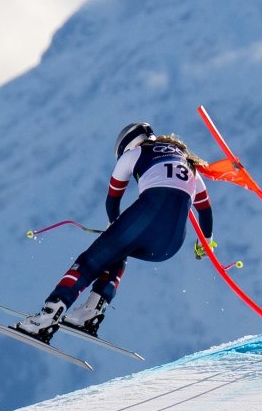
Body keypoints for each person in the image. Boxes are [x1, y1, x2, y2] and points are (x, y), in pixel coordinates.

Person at [16, 122, 214, 343]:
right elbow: (205, 210)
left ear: (128, 144)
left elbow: (113, 198)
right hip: (171, 245)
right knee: (118, 251)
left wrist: (114, 229)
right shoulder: (188, 164)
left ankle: (46, 317)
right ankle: (90, 313)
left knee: (90, 261)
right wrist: (204, 244)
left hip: (146, 216)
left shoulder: (136, 153)